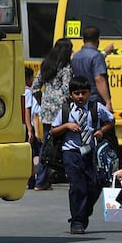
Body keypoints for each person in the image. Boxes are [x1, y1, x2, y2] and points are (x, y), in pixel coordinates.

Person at [50, 75, 115, 234]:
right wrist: (66, 126)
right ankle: (77, 221)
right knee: (78, 186)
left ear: (89, 93)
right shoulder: (66, 110)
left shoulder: (96, 108)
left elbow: (111, 120)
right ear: (71, 94)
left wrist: (101, 131)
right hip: (71, 152)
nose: (80, 97)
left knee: (94, 185)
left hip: (90, 152)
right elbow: (53, 130)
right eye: (76, 93)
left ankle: (84, 212)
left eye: (83, 93)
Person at [31, 38, 74, 190]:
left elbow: (35, 87)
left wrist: (42, 101)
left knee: (46, 144)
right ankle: (63, 175)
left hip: (47, 110)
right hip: (61, 110)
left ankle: (41, 179)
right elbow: (67, 91)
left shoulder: (46, 65)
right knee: (65, 143)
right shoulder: (66, 68)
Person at [71, 25, 114, 112]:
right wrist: (107, 101)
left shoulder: (76, 56)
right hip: (94, 100)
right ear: (98, 40)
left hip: (78, 100)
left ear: (83, 40)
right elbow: (99, 79)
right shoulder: (96, 56)